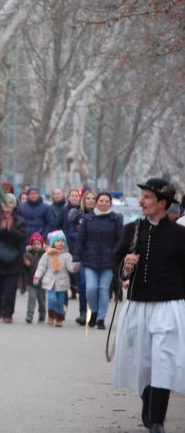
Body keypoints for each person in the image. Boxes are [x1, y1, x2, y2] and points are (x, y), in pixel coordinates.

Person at [113, 178, 185, 433]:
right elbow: (118, 263)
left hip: (168, 306)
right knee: (142, 361)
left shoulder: (180, 235)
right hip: (138, 305)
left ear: (162, 203)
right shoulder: (132, 230)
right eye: (142, 196)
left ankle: (157, 420)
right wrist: (126, 265)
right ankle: (148, 400)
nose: (141, 201)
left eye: (147, 197)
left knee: (163, 360)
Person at [72, 191, 123, 330]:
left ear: (110, 203)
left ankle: (101, 318)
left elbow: (120, 239)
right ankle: (93, 310)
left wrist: (113, 253)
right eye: (101, 201)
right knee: (91, 288)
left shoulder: (116, 218)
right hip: (90, 259)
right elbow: (80, 239)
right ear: (96, 203)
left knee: (103, 289)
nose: (104, 203)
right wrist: (76, 257)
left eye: (107, 201)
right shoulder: (88, 219)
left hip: (109, 261)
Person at [0, 193, 27, 323]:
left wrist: (11, 229)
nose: (7, 206)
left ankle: (8, 314)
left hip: (12, 260)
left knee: (10, 290)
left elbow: (22, 237)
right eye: (4, 203)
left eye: (10, 203)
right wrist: (1, 228)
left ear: (14, 205)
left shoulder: (19, 220)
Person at [33, 231, 78, 327]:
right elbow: (41, 267)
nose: (61, 243)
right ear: (53, 242)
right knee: (52, 299)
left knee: (60, 301)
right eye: (58, 241)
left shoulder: (67, 255)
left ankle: (59, 318)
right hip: (50, 281)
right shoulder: (47, 255)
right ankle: (51, 315)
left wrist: (74, 267)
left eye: (62, 241)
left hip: (62, 281)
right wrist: (37, 277)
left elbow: (70, 268)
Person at [71, 189, 97, 324]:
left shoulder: (101, 216)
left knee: (94, 286)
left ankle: (95, 312)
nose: (91, 201)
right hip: (81, 253)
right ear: (83, 201)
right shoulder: (77, 215)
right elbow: (71, 233)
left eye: (93, 198)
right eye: (88, 199)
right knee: (82, 283)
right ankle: (82, 312)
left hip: (97, 254)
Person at [24, 233, 46, 323]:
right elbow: (23, 268)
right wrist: (25, 264)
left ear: (42, 244)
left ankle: (42, 314)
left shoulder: (45, 254)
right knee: (32, 297)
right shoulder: (28, 254)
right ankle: (30, 315)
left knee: (41, 299)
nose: (36, 246)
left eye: (38, 244)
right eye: (34, 244)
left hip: (42, 281)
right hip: (31, 280)